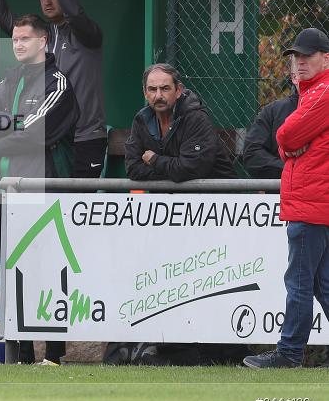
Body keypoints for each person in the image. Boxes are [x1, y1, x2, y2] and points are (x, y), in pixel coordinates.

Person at [0, 13, 78, 366]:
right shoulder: (10, 78)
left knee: (49, 270)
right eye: (15, 39)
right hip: (4, 193)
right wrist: (9, 131)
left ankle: (53, 354)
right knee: (15, 270)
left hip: (42, 189)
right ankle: (22, 354)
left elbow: (39, 130)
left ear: (43, 41)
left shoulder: (58, 82)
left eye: (25, 39)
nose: (18, 45)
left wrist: (2, 139)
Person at [244, 28, 329, 369]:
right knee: (323, 285)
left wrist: (288, 143)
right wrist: (289, 145)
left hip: (311, 203)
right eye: (297, 56)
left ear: (326, 57)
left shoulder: (323, 92)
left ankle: (289, 352)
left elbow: (286, 133)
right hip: (313, 202)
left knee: (299, 282)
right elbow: (287, 142)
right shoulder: (312, 93)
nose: (300, 61)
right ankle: (290, 351)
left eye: (308, 55)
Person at [0, 0, 107, 178]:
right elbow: (3, 18)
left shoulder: (86, 33)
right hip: (48, 139)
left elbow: (76, 14)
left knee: (75, 208)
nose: (47, 1)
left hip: (83, 138)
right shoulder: (40, 36)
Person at [125, 63, 235, 181]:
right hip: (167, 198)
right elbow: (133, 169)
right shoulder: (142, 119)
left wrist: (154, 160)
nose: (158, 96)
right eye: (152, 89)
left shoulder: (195, 118)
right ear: (145, 93)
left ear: (178, 90)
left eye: (165, 88)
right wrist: (174, 172)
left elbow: (192, 169)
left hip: (215, 196)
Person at [243, 70, 299, 179]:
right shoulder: (273, 111)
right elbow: (253, 155)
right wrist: (290, 170)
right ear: (293, 77)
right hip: (280, 190)